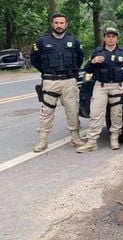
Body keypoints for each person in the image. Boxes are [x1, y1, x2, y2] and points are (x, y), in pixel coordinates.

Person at [77, 27, 123, 152]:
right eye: (108, 36)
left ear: (116, 38)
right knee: (95, 114)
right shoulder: (97, 52)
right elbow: (87, 70)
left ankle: (114, 138)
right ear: (104, 38)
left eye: (113, 36)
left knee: (116, 114)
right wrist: (93, 61)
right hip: (100, 86)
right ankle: (92, 142)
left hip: (117, 87)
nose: (111, 38)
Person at [31, 13, 85, 152]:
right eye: (56, 23)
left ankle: (75, 137)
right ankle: (42, 141)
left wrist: (72, 73)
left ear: (66, 24)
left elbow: (79, 58)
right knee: (46, 112)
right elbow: (34, 59)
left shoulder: (74, 42)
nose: (59, 26)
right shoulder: (41, 42)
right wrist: (47, 71)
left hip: (69, 81)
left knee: (73, 110)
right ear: (52, 24)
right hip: (50, 81)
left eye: (62, 23)